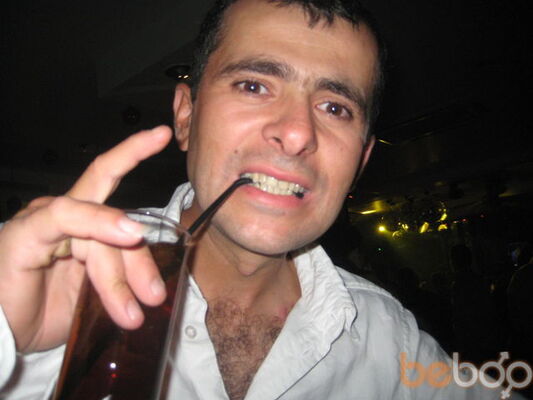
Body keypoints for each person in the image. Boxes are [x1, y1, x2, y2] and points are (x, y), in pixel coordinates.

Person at [0, 0, 524, 399]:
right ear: (186, 115)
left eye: (335, 107)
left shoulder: (386, 338)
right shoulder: (47, 277)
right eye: (253, 86)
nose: (296, 134)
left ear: (361, 161)